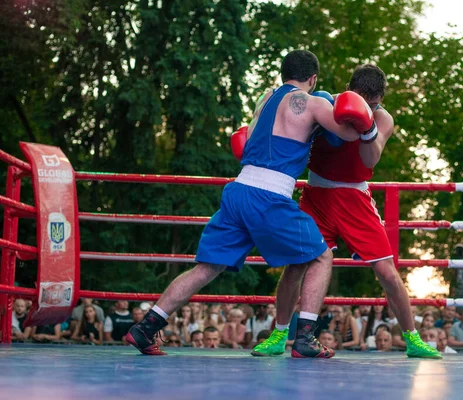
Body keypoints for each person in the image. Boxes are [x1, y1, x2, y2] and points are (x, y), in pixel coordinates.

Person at [126, 49, 369, 357]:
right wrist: (365, 121)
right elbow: (348, 135)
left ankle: (145, 327)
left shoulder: (264, 101)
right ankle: (305, 336)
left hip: (238, 191)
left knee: (205, 269)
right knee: (321, 257)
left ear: (283, 74)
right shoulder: (312, 102)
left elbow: (246, 143)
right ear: (313, 78)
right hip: (269, 195)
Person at [254, 64, 441, 359]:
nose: (368, 108)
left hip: (354, 197)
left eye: (374, 103)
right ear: (350, 91)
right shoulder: (324, 104)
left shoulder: (383, 118)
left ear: (381, 99)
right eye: (362, 102)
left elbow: (369, 160)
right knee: (297, 264)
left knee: (387, 272)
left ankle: (413, 339)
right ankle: (279, 335)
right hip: (316, 195)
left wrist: (366, 126)